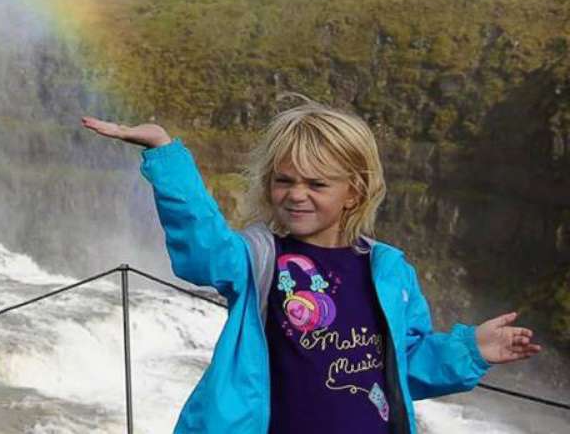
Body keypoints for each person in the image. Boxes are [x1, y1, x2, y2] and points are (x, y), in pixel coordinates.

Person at [82, 97, 540, 433]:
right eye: (284, 180)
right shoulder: (258, 259)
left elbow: (405, 366)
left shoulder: (390, 271)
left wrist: (471, 350)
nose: (296, 194)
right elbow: (203, 249)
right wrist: (165, 154)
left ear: (355, 191)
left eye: (317, 183)